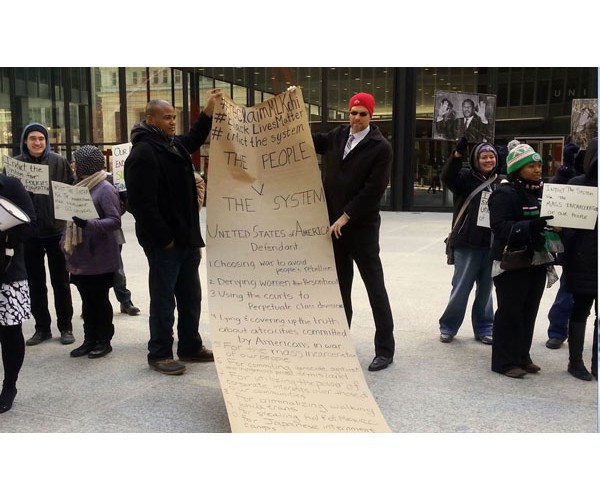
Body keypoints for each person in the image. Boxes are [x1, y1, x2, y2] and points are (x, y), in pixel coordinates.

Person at [124, 90, 222, 375]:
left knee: (191, 297)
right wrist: (164, 239)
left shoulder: (172, 144)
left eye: (174, 118)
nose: (172, 122)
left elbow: (192, 139)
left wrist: (207, 113)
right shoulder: (143, 153)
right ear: (150, 119)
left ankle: (190, 346)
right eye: (166, 118)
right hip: (166, 244)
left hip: (188, 239)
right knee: (164, 300)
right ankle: (160, 353)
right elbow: (141, 205)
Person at [312, 91, 395, 372]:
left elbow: (373, 190)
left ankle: (385, 349)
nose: (356, 118)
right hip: (334, 230)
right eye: (353, 113)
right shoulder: (337, 136)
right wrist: (292, 109)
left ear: (371, 116)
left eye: (362, 114)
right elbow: (307, 140)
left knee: (375, 289)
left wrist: (346, 216)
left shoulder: (380, 147)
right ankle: (340, 343)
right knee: (340, 289)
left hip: (362, 229)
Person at [488, 144, 557, 378]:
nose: (538, 170)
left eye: (539, 165)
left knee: (529, 310)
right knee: (510, 312)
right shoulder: (503, 193)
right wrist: (530, 226)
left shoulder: (543, 192)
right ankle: (504, 362)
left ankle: (522, 356)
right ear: (518, 169)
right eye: (531, 166)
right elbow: (499, 227)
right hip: (511, 262)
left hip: (537, 260)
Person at [13, 123, 75, 347]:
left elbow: (71, 187)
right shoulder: (15, 165)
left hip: (55, 231)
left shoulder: (58, 162)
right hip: (29, 234)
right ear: (25, 141)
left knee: (61, 282)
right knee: (35, 283)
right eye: (32, 138)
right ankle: (42, 328)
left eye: (41, 138)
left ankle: (66, 327)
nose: (37, 142)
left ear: (47, 140)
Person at [438, 138, 502, 344]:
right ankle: (448, 326)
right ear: (476, 159)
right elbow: (447, 177)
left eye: (491, 156)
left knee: (486, 290)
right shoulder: (465, 179)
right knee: (460, 288)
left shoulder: (502, 182)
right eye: (484, 156)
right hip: (467, 243)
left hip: (491, 244)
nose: (488, 160)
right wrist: (457, 154)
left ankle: (485, 328)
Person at [62, 146, 121, 359]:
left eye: (76, 161)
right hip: (81, 256)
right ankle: (89, 340)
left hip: (100, 256)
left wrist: (88, 224)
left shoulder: (105, 188)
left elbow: (114, 221)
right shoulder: (78, 186)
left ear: (86, 163)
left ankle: (104, 340)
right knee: (87, 300)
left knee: (99, 300)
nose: (74, 165)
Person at [561, 137, 598, 380]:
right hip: (584, 260)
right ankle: (576, 361)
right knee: (581, 310)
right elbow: (567, 228)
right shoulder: (578, 185)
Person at [0, 174, 36, 413]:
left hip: (7, 271)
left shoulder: (10, 185)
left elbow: (30, 223)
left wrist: (5, 234)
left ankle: (9, 385)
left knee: (10, 332)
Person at [545, 140, 580, 349]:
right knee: (567, 292)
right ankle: (557, 331)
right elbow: (559, 190)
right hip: (578, 246)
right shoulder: (577, 178)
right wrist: (567, 165)